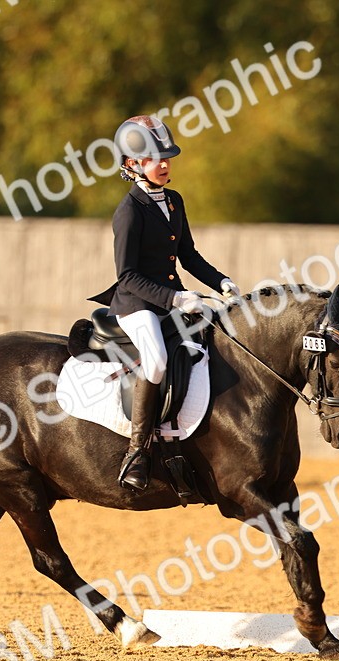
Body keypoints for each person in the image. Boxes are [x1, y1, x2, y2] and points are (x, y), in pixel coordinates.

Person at [87, 115, 241, 491]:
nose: (164, 164)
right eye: (155, 158)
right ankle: (137, 452)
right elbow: (127, 276)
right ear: (131, 164)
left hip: (172, 301)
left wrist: (221, 282)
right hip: (136, 306)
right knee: (155, 358)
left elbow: (188, 255)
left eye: (167, 157)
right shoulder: (129, 211)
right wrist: (176, 297)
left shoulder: (174, 201)